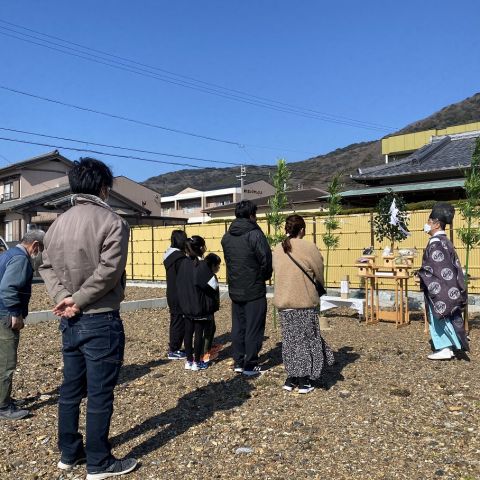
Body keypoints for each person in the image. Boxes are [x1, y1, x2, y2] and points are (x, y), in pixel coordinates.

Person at [39, 158, 137, 479]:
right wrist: (77, 300)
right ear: (104, 188)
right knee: (98, 392)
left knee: (70, 389)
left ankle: (69, 452)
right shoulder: (112, 222)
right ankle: (99, 461)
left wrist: (62, 299)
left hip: (69, 319)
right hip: (100, 317)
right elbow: (108, 272)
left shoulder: (56, 224)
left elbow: (46, 267)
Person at [272, 214, 334, 393]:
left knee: (290, 341)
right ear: (302, 230)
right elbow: (319, 270)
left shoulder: (278, 248)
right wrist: (320, 287)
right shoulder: (308, 246)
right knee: (307, 339)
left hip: (284, 302)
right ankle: (305, 379)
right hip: (304, 300)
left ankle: (291, 378)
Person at [221, 200, 272, 376]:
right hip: (254, 288)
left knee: (238, 326)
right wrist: (263, 277)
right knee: (254, 327)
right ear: (251, 215)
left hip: (235, 287)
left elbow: (230, 261)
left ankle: (238, 361)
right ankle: (250, 364)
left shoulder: (227, 237)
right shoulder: (255, 234)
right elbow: (266, 260)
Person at [0, 229, 45, 420]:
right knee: (7, 362)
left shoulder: (8, 253)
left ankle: (4, 398)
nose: (41, 254)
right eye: (42, 249)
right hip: (5, 315)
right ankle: (3, 407)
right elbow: (8, 288)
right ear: (35, 246)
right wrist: (15, 313)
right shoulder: (21, 259)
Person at [418, 203, 469, 360]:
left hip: (440, 288)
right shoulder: (446, 241)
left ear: (436, 223)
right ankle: (453, 346)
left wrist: (421, 274)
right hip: (450, 286)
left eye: (429, 221)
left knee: (440, 316)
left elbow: (434, 268)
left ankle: (445, 348)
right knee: (450, 317)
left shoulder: (436, 243)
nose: (427, 225)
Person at [176, 236, 220, 371]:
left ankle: (189, 360)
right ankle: (197, 361)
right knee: (199, 333)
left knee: (188, 333)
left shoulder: (183, 263)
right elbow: (212, 285)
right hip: (199, 305)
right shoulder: (201, 266)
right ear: (201, 248)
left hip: (186, 304)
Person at [163, 229, 187, 360]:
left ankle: (174, 347)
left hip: (171, 293)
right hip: (179, 294)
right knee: (179, 321)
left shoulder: (169, 255)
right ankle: (174, 349)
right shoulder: (180, 258)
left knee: (175, 320)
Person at [201, 253, 222, 363]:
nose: (218, 268)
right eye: (218, 265)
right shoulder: (210, 276)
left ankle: (206, 349)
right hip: (208, 307)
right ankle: (205, 352)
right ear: (212, 265)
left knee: (208, 328)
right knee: (209, 329)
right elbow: (213, 291)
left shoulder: (201, 272)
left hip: (204, 306)